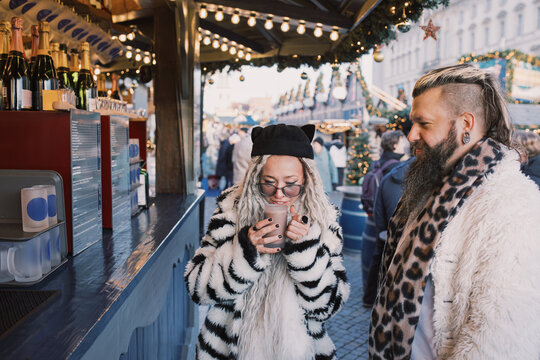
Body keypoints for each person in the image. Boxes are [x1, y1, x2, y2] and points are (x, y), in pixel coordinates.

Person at [369, 64, 540, 359]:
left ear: (465, 125)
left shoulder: (512, 206)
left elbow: (496, 343)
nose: (411, 135)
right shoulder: (426, 189)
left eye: (423, 123)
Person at [185, 124, 350, 360]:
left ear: (307, 179)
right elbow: (197, 288)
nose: (279, 194)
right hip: (229, 350)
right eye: (269, 182)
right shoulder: (232, 210)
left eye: (291, 184)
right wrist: (245, 251)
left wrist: (305, 251)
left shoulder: (323, 220)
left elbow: (327, 307)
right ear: (256, 177)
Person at [362, 158, 413, 308]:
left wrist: (382, 230)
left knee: (378, 261)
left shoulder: (388, 177)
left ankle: (369, 299)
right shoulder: (430, 175)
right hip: (407, 238)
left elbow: (378, 209)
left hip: (386, 232)